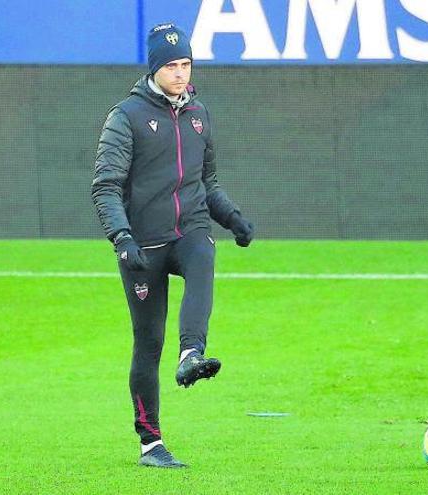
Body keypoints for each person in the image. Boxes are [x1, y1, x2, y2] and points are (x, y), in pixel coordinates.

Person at [91, 23, 255, 468]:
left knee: (204, 251)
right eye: (172, 66)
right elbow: (105, 186)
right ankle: (151, 444)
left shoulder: (199, 113)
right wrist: (121, 237)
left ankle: (191, 354)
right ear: (155, 69)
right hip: (142, 244)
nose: (181, 73)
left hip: (190, 230)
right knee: (147, 343)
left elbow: (208, 183)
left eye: (186, 63)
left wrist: (233, 218)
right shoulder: (125, 116)